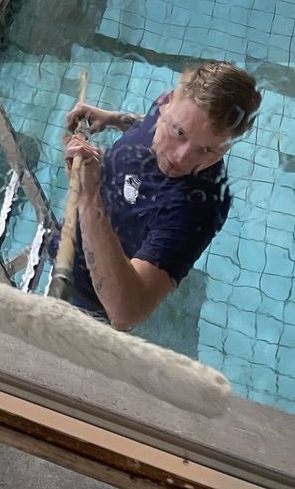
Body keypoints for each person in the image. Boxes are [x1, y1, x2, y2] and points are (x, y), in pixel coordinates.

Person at [52, 61, 261, 331]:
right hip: (68, 237)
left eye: (207, 151)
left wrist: (89, 198)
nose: (182, 158)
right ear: (168, 103)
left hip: (86, 295)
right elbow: (147, 120)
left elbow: (126, 313)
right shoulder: (166, 105)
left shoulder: (197, 210)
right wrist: (114, 119)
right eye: (179, 133)